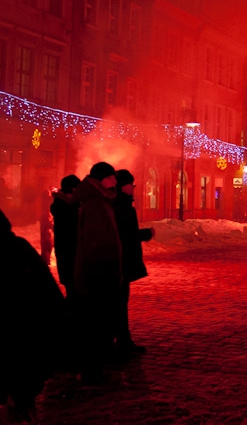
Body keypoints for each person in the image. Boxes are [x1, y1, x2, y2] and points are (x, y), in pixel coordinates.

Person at [1, 209, 65, 424]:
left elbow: (50, 302)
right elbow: (53, 302)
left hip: (20, 350)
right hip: (24, 354)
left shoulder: (18, 252)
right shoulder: (20, 249)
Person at [72, 161, 123, 384]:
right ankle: (91, 370)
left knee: (97, 322)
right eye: (111, 177)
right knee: (95, 323)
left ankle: (94, 367)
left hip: (100, 272)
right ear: (101, 179)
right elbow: (97, 244)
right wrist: (108, 270)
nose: (115, 181)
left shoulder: (101, 201)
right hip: (98, 274)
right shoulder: (95, 204)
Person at [113, 169, 154, 356]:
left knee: (118, 302)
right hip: (122, 260)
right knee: (119, 302)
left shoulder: (115, 203)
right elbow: (126, 235)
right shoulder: (123, 207)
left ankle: (121, 339)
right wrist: (146, 234)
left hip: (118, 260)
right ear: (124, 186)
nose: (134, 188)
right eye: (132, 184)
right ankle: (122, 341)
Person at [51, 174, 81, 303]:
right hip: (70, 254)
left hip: (68, 254)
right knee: (74, 293)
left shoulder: (63, 205)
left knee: (73, 291)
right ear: (72, 190)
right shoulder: (66, 207)